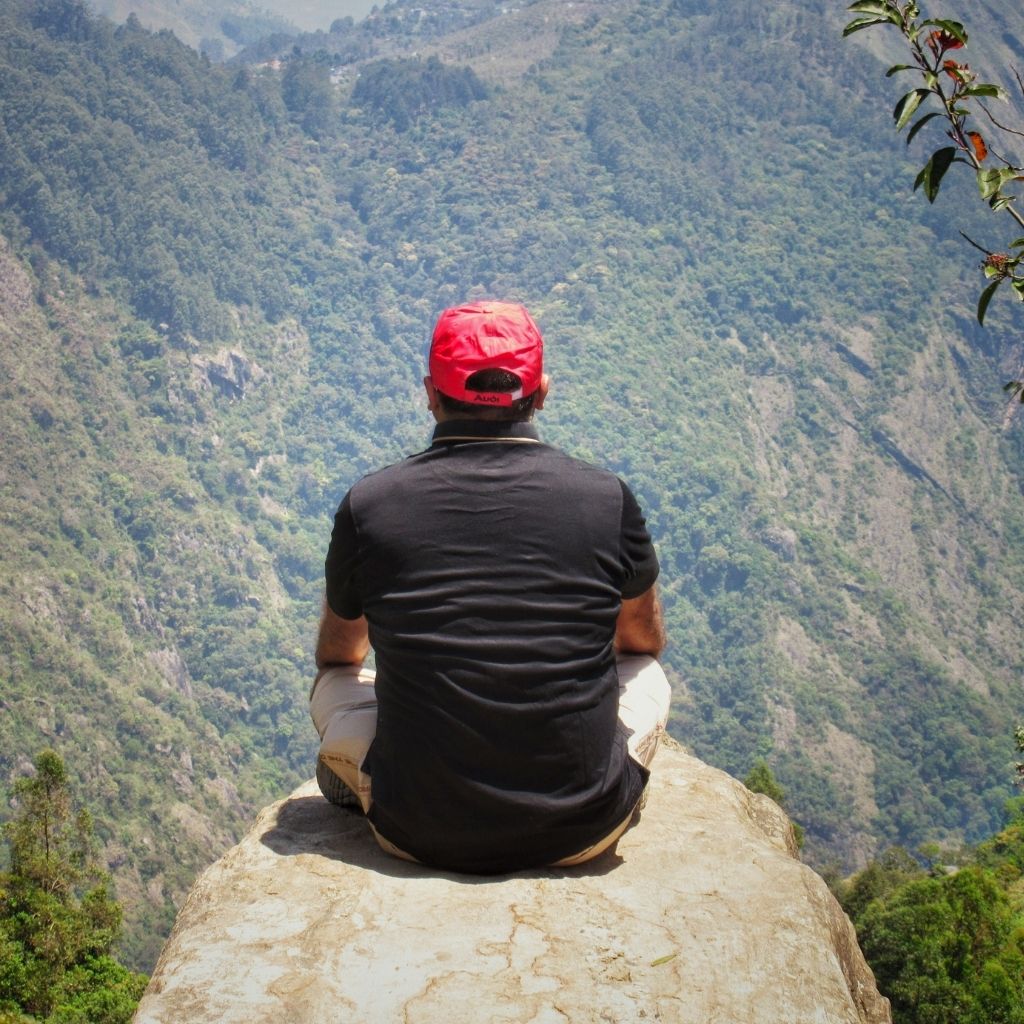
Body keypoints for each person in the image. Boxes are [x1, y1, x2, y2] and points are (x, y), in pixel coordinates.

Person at [310, 300, 671, 873]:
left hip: (418, 831)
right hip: (583, 829)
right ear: (543, 391)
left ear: (430, 392)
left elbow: (339, 654)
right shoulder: (606, 498)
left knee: (336, 681)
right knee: (647, 674)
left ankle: (360, 780)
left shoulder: (370, 504)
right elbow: (642, 642)